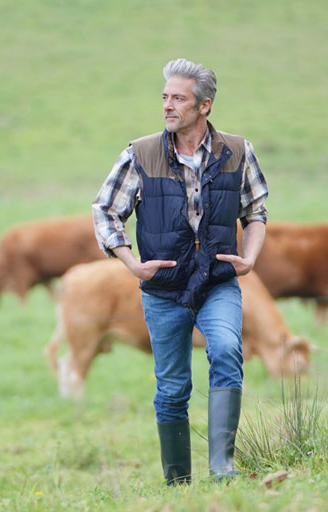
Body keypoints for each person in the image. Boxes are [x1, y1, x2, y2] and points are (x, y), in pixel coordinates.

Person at [92, 58, 268, 484]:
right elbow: (106, 211)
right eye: (165, 97)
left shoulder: (238, 151)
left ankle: (223, 470)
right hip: (163, 290)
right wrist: (132, 264)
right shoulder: (140, 153)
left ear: (203, 105)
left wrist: (251, 256)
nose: (168, 106)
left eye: (178, 99)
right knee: (172, 389)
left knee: (226, 350)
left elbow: (257, 209)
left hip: (217, 282)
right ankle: (178, 486)